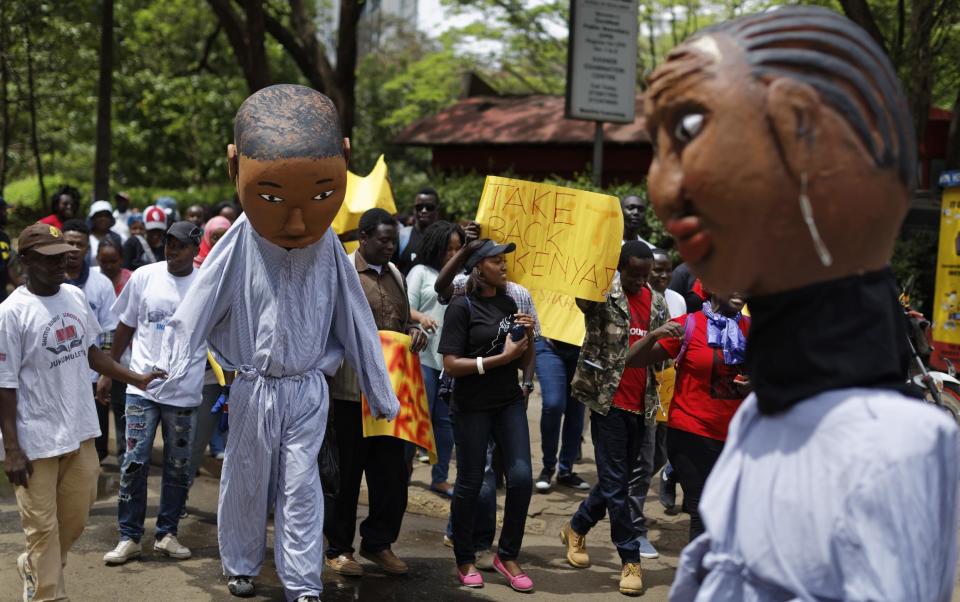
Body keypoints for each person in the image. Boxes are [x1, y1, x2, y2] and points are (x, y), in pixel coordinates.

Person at [645, 7, 959, 600]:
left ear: (800, 129)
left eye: (687, 130)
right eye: (654, 148)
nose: (661, 185)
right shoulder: (766, 415)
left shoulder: (893, 446)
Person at [148, 84, 399, 601]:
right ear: (234, 167)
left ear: (344, 162)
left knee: (302, 488)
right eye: (271, 196)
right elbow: (193, 312)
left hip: (308, 389)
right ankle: (241, 563)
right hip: (252, 388)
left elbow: (355, 319)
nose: (295, 221)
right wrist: (173, 373)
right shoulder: (238, 242)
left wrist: (380, 388)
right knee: (245, 478)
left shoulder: (328, 247)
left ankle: (303, 583)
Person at [0, 223, 163, 602]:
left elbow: (91, 352)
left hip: (79, 429)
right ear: (25, 260)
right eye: (50, 259)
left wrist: (135, 378)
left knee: (72, 522)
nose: (62, 264)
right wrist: (12, 449)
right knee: (42, 528)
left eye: (64, 257)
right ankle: (49, 594)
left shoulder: (74, 296)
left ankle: (34, 566)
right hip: (34, 439)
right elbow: (4, 385)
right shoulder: (11, 313)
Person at [560, 242, 671, 595]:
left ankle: (576, 527)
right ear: (619, 267)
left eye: (645, 274)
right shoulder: (602, 295)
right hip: (606, 402)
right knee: (617, 484)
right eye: (633, 273)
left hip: (642, 404)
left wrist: (666, 347)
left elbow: (665, 356)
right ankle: (630, 558)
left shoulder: (657, 301)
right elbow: (581, 296)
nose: (640, 280)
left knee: (616, 481)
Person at [324, 208, 427, 577]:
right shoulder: (342, 273)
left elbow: (401, 325)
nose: (390, 246)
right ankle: (338, 549)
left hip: (391, 395)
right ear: (363, 238)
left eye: (393, 240)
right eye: (382, 239)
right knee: (346, 479)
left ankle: (378, 543)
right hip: (350, 395)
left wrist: (415, 334)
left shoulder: (395, 274)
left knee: (392, 478)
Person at [99, 221, 203, 566]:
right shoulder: (145, 276)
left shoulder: (206, 283)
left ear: (195, 249)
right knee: (134, 462)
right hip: (141, 388)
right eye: (169, 245)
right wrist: (108, 371)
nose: (171, 251)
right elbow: (126, 325)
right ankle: (129, 537)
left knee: (177, 467)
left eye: (180, 246)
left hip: (184, 392)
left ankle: (167, 534)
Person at [439, 239, 536, 592]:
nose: (503, 265)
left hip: (508, 401)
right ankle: (464, 558)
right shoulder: (460, 307)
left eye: (503, 260)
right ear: (478, 268)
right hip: (471, 406)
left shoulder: (510, 302)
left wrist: (528, 338)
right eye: (496, 261)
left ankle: (507, 555)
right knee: (470, 483)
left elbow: (523, 355)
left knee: (522, 478)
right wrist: (501, 359)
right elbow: (450, 364)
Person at [627, 291, 750, 541]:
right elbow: (632, 360)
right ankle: (698, 578)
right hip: (691, 432)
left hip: (738, 438)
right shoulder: (688, 325)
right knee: (704, 511)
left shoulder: (754, 329)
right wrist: (653, 335)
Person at [404, 220, 465, 497]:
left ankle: (440, 478)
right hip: (423, 358)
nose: (453, 254)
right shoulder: (420, 272)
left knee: (445, 423)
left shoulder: (463, 277)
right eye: (447, 249)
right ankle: (402, 471)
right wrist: (421, 318)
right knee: (418, 418)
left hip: (450, 362)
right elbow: (405, 307)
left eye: (458, 249)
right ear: (435, 248)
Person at [62, 219, 121, 463]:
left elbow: (109, 330)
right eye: (70, 243)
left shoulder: (101, 283)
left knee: (93, 447)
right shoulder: (49, 282)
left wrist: (106, 375)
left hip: (91, 377)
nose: (74, 249)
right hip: (58, 378)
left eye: (80, 244)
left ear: (88, 249)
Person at [93, 238, 134, 462]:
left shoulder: (132, 280)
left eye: (113, 261)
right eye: (104, 261)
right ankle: (99, 450)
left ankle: (123, 452)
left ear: (121, 259)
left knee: (120, 404)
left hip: (125, 353)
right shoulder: (93, 279)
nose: (108, 266)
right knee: (100, 404)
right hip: (96, 352)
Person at [394, 187, 441, 274]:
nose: (423, 211)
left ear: (437, 210)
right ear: (414, 209)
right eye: (419, 207)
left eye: (429, 207)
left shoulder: (445, 237)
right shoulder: (402, 236)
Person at [122, 205, 166, 270]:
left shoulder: (167, 247)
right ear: (144, 227)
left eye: (159, 230)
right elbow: (124, 270)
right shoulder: (133, 243)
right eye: (151, 230)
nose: (155, 235)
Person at [88, 200, 124, 265]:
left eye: (106, 215)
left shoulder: (117, 238)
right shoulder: (86, 237)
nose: (103, 218)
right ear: (93, 218)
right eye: (99, 215)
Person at [0, 196, 21, 302]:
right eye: (3, 210)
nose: (6, 213)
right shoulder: (3, 237)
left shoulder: (4, 237)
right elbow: (8, 269)